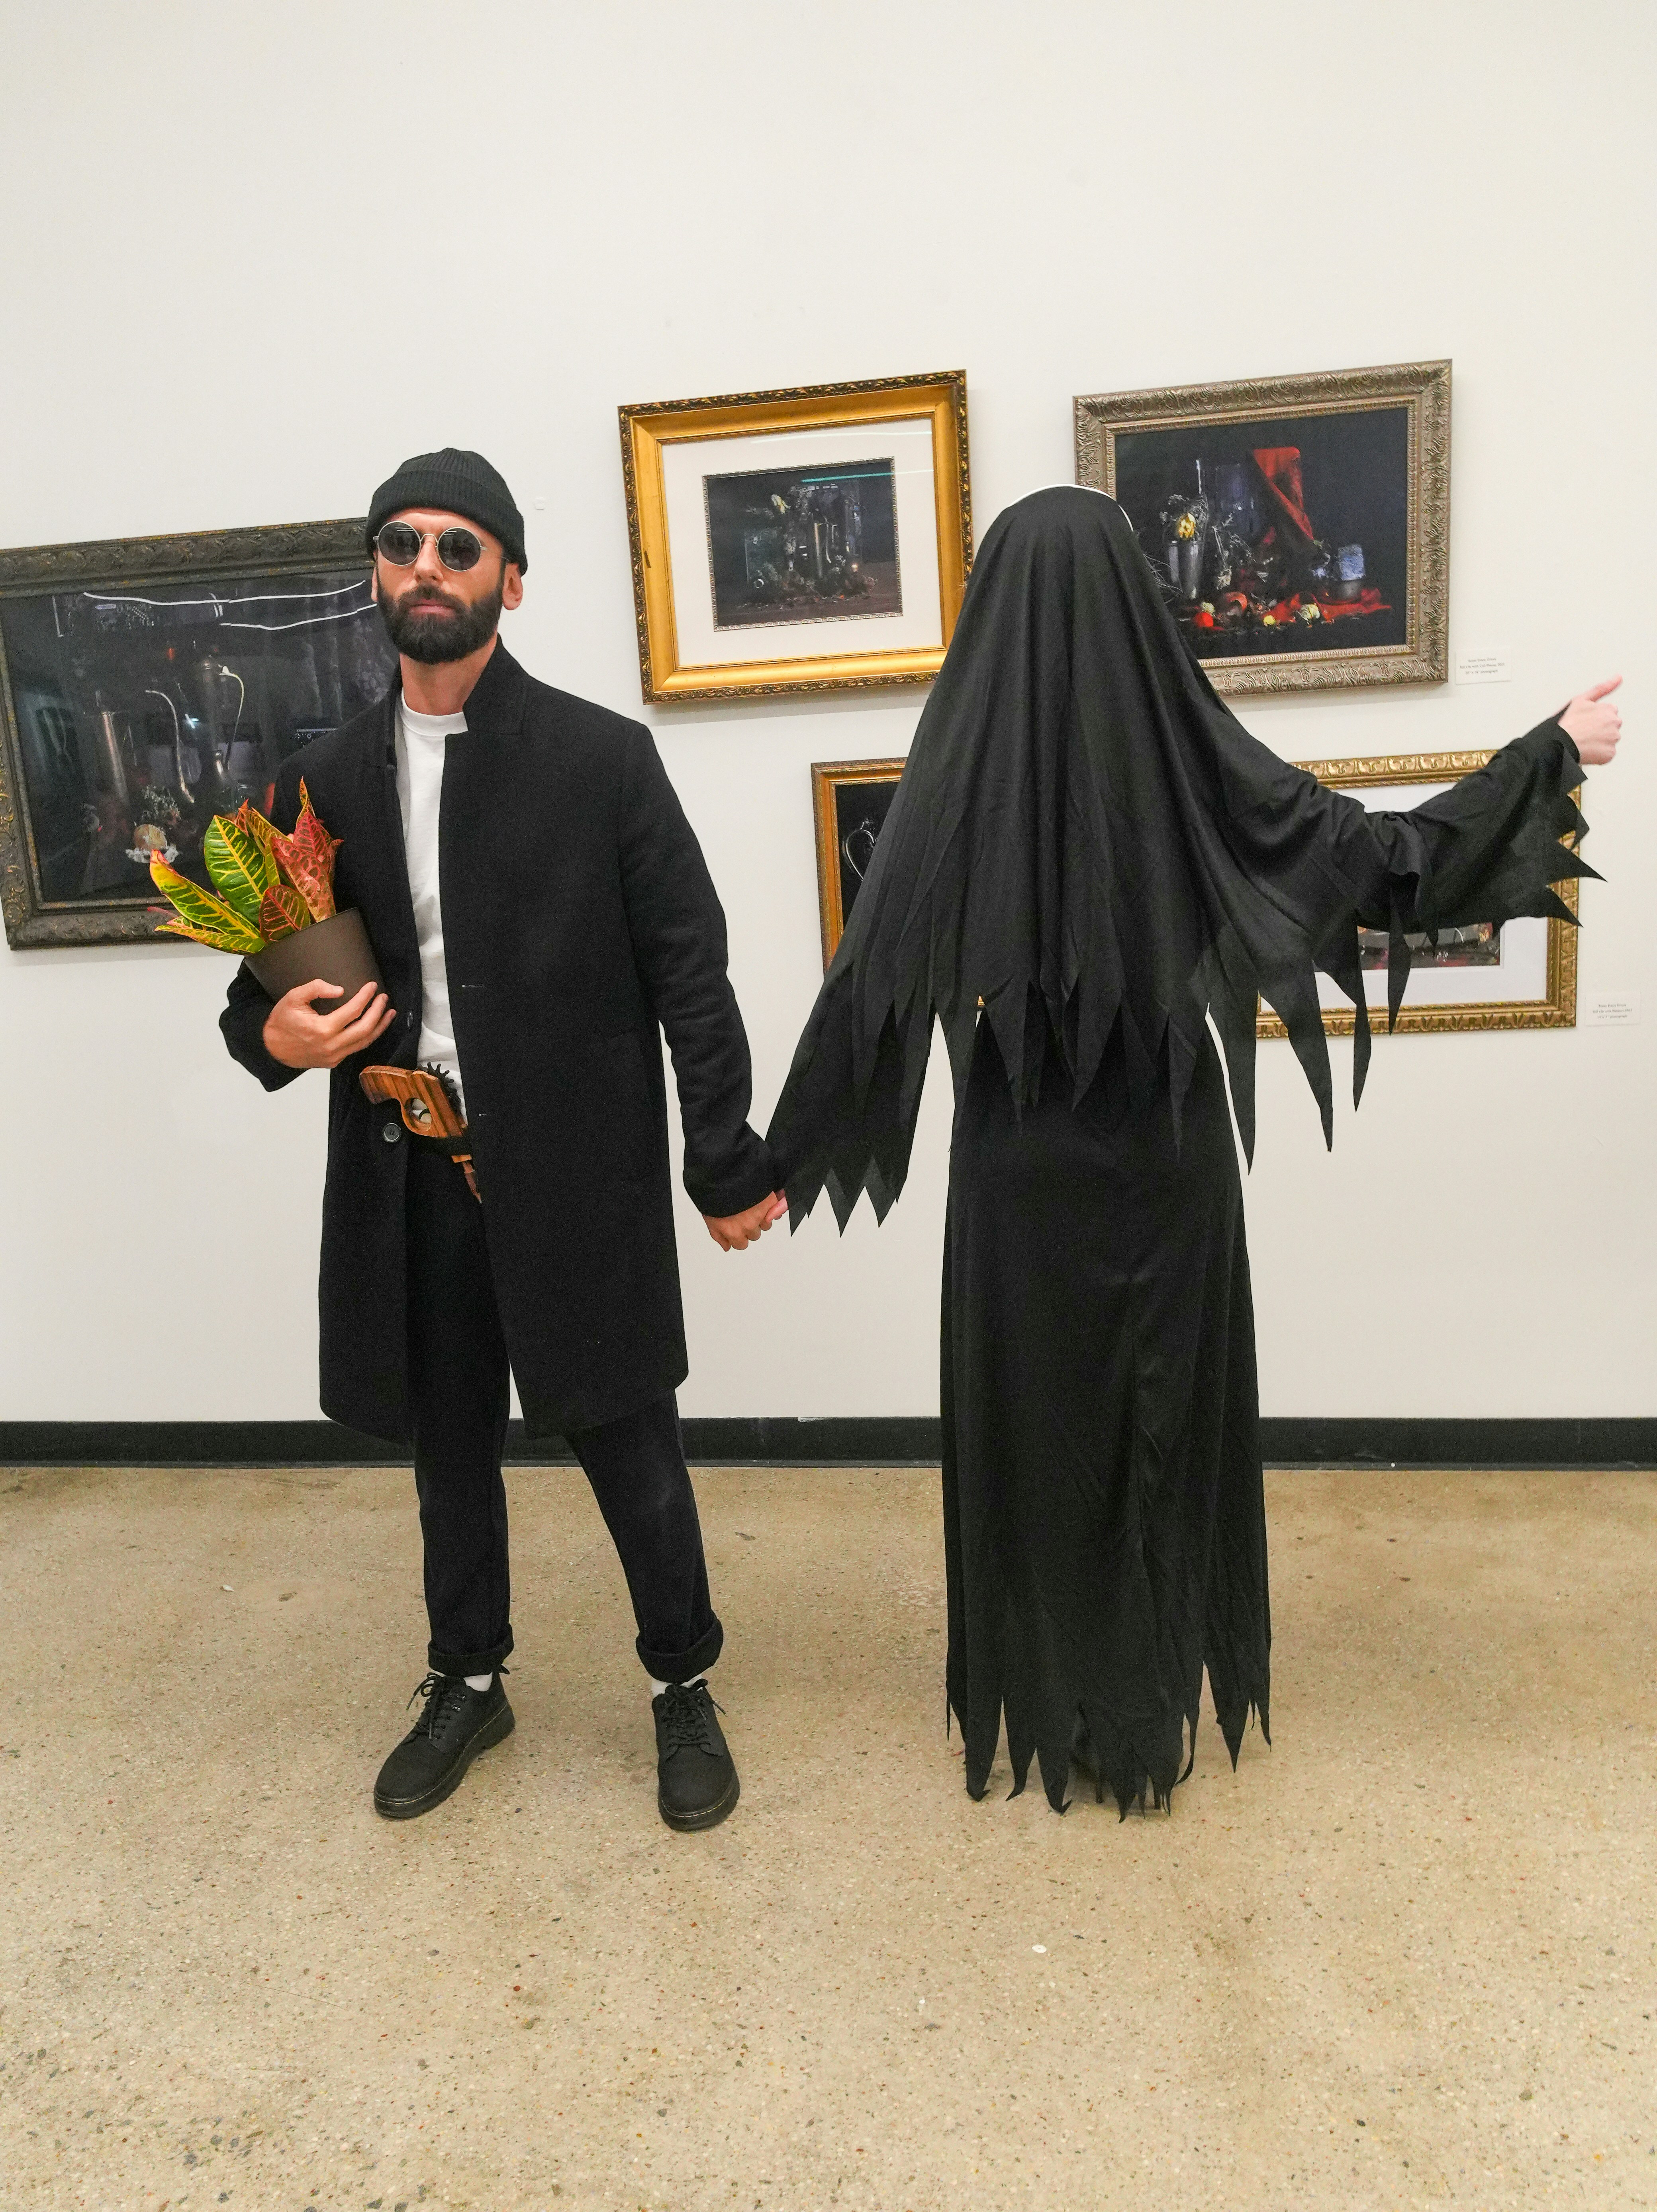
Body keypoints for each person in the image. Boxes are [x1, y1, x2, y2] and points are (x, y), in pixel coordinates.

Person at [765, 484, 1623, 1817]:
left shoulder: (946, 785)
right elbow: (1382, 865)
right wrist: (1548, 754)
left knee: (1037, 1423)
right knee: (1163, 1409)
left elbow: (857, 992)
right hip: (1163, 1151)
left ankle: (1060, 1694)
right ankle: (1148, 1698)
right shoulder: (1195, 760)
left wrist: (760, 1170)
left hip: (1016, 1162)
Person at [221, 448, 784, 1827]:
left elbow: (690, 980)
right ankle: (469, 1677)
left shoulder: (603, 760)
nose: (426, 567)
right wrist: (271, 1042)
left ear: (510, 583)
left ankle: (681, 1684)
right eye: (401, 543)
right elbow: (261, 984)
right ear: (376, 571)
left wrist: (725, 1155)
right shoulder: (318, 777)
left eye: (459, 549)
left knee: (627, 1440)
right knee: (448, 1446)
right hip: (405, 1169)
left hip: (572, 1172)